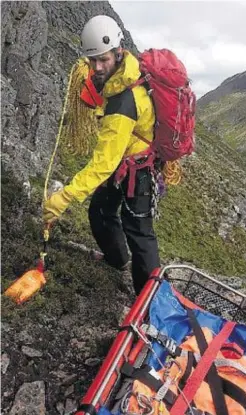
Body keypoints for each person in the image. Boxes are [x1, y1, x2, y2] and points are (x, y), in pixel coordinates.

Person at [43, 15, 160, 295]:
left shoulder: (124, 101)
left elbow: (102, 164)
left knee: (139, 232)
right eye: (92, 60)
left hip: (137, 169)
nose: (97, 67)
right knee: (100, 211)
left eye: (103, 60)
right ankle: (116, 260)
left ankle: (149, 300)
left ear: (119, 52)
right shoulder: (122, 73)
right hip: (123, 161)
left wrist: (64, 198)